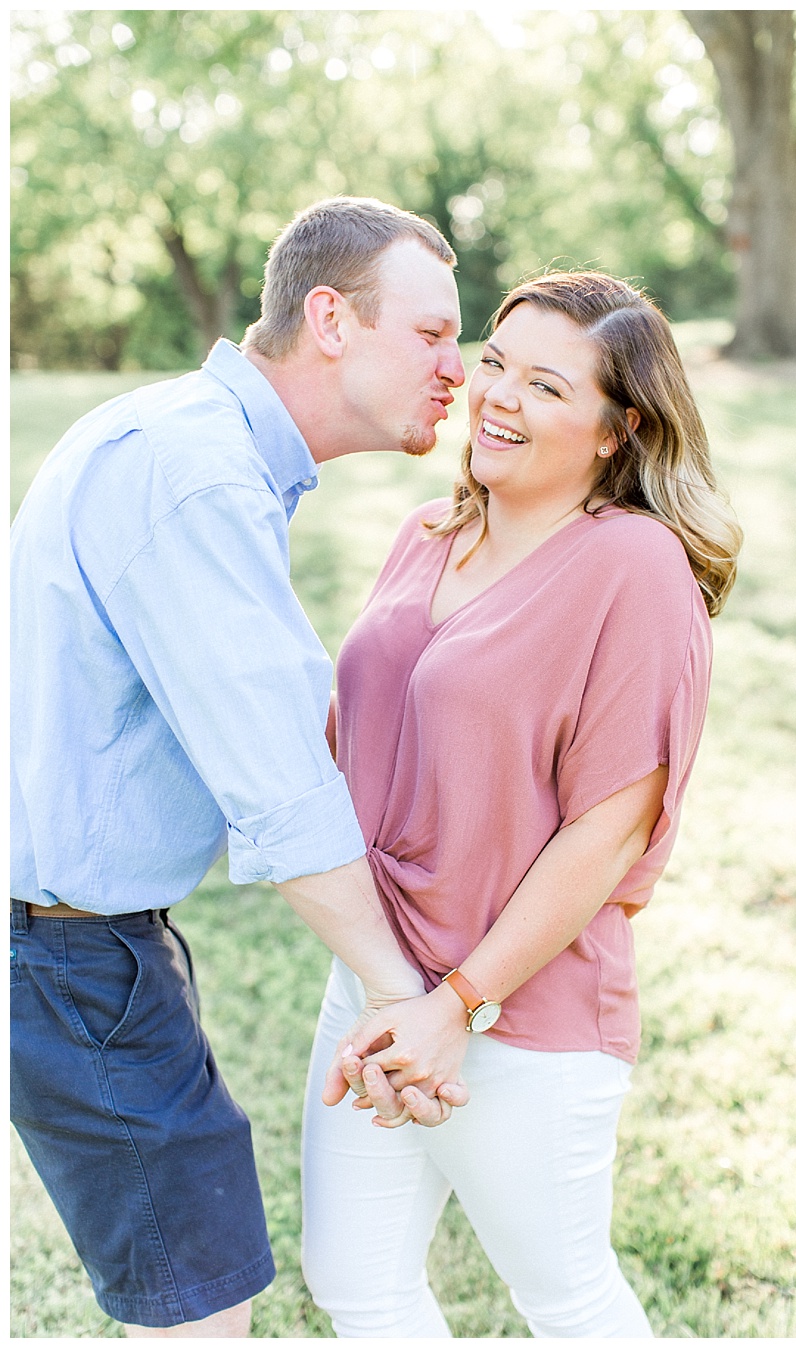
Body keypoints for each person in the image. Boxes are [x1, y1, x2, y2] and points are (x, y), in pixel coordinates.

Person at [10, 196, 474, 1337]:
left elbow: (291, 720)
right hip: (63, 953)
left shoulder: (187, 441)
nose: (459, 372)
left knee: (198, 1295)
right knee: (203, 1312)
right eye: (431, 335)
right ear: (330, 317)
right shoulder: (196, 475)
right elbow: (279, 786)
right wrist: (401, 992)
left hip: (91, 939)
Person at [298, 270, 741, 1337]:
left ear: (614, 429)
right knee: (356, 1281)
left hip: (516, 1011)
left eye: (546, 385)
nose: (496, 396)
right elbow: (348, 742)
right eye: (495, 363)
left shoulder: (636, 568)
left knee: (565, 1297)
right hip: (372, 989)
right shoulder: (425, 535)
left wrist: (456, 1006)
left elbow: (611, 828)